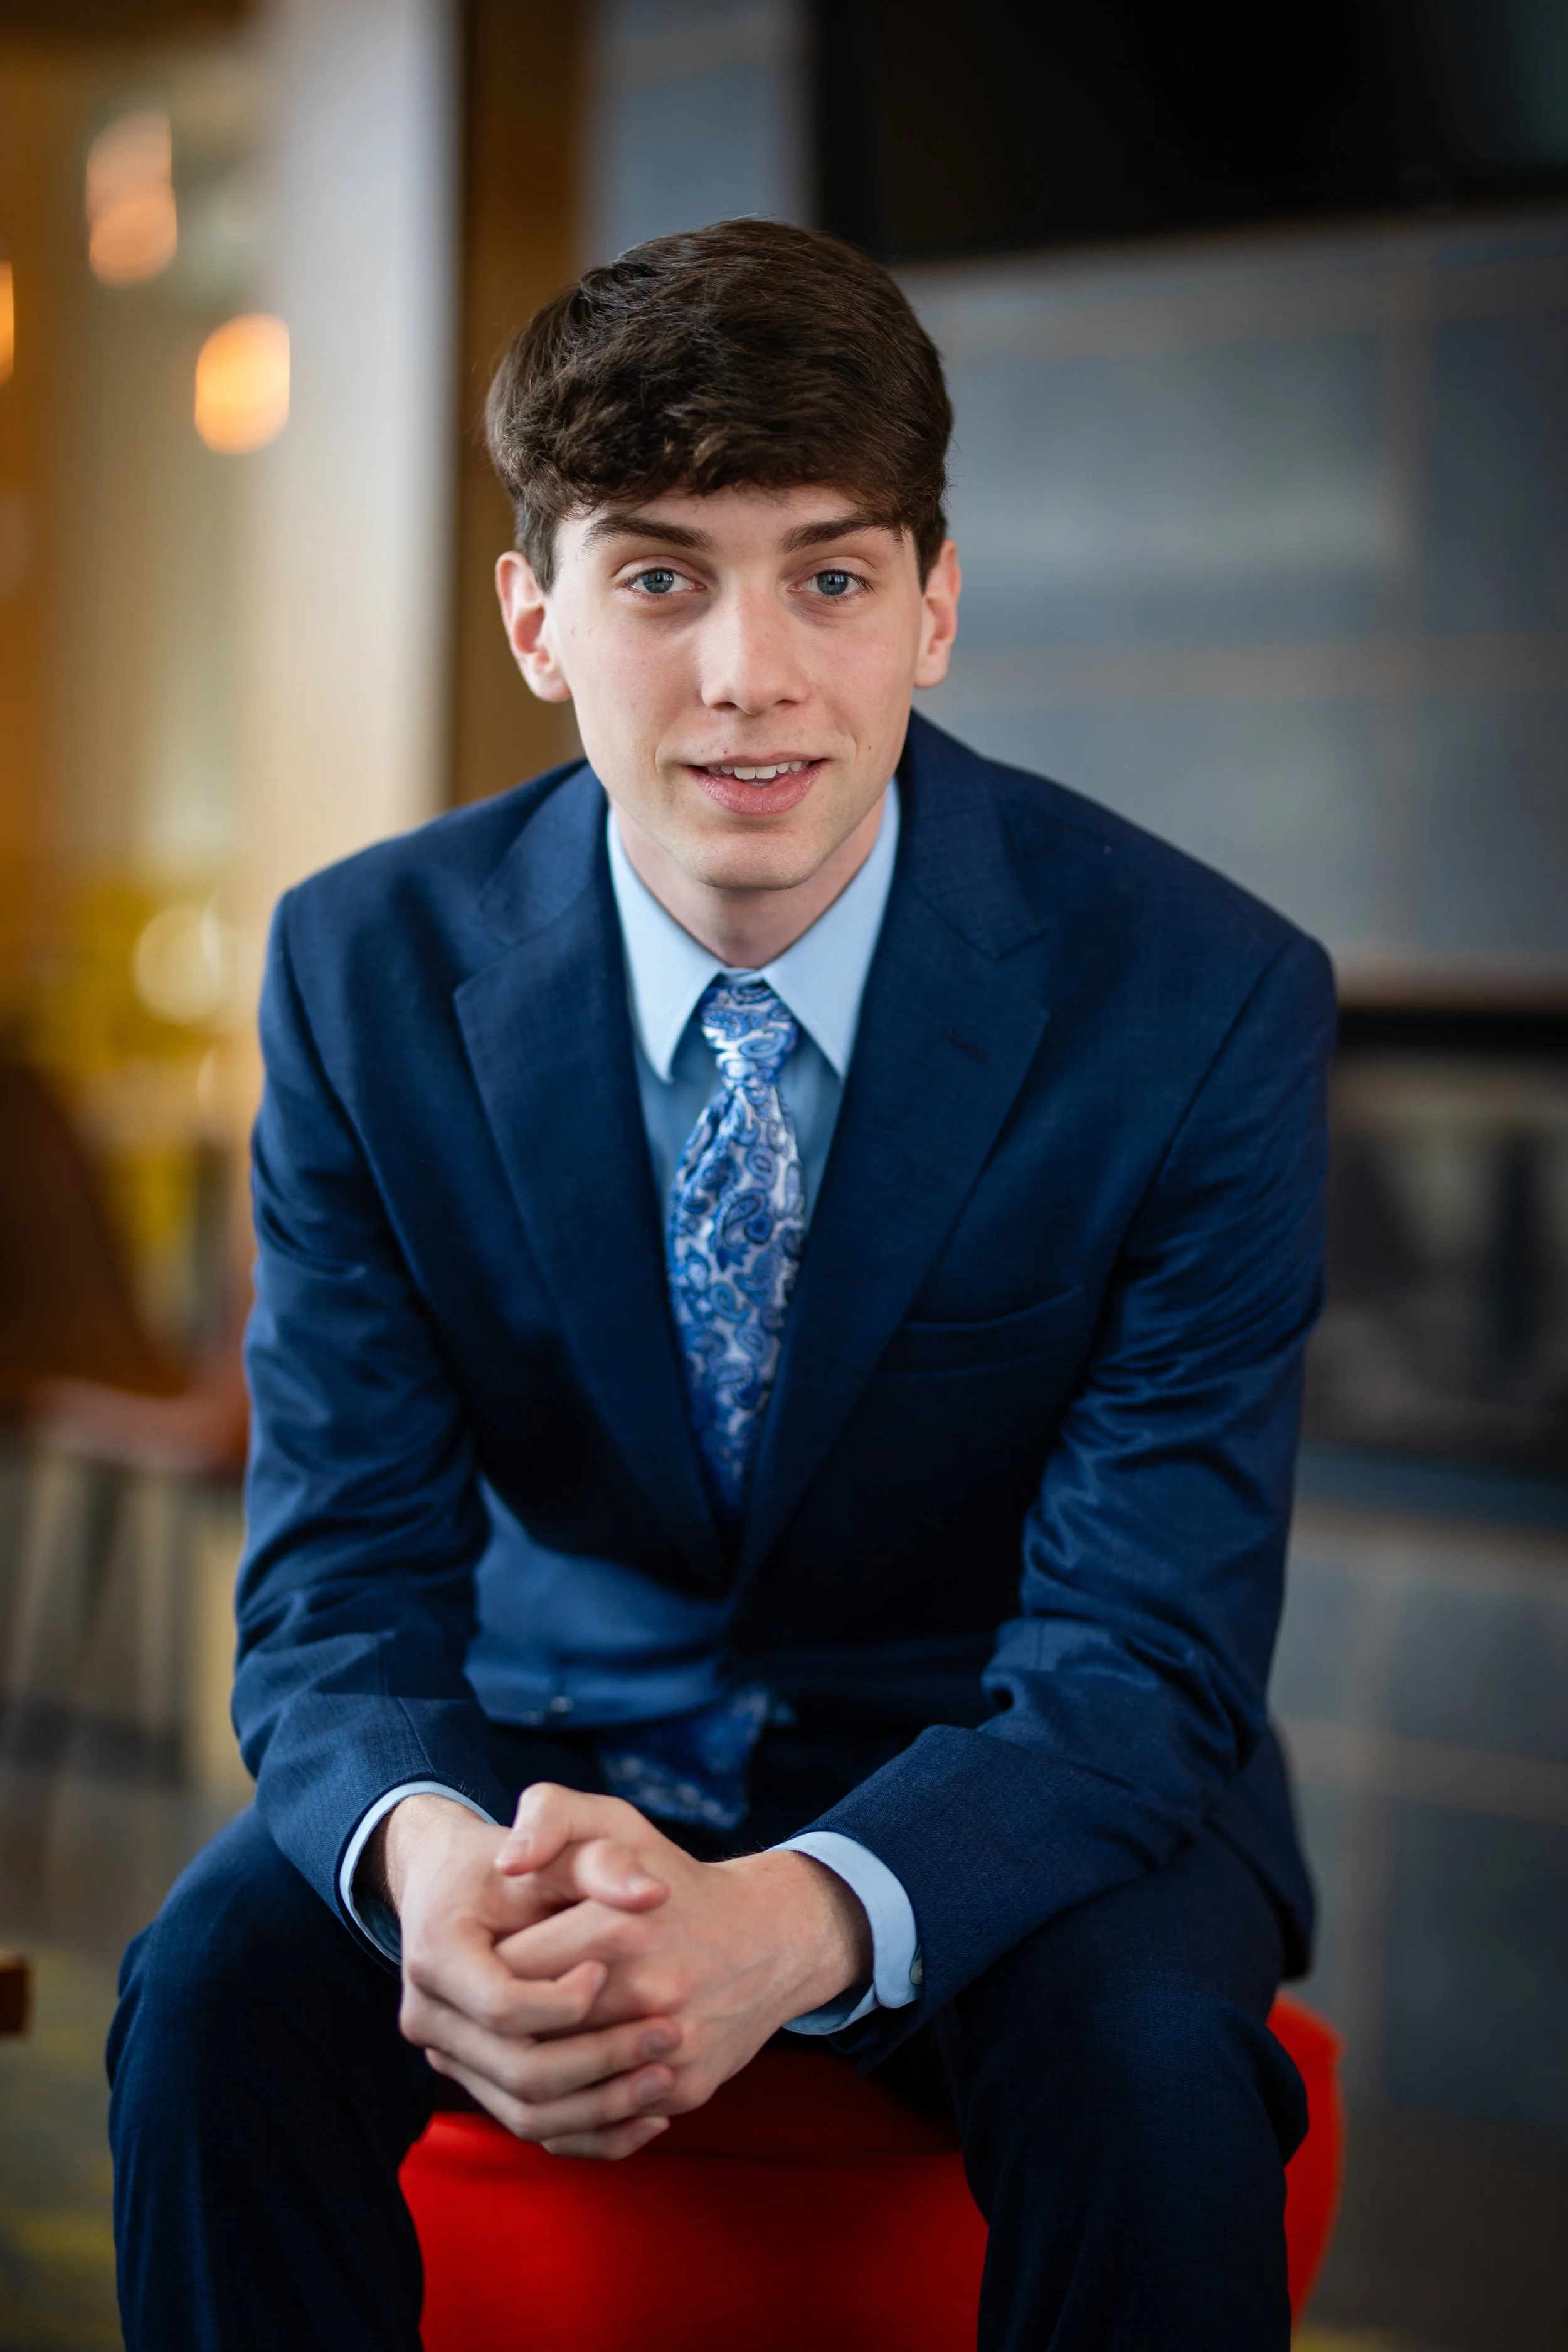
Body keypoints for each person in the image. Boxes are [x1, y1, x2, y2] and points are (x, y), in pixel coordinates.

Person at [108, 219, 1333, 2351]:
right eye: (661, 574)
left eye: (830, 577)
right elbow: (336, 1586)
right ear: (537, 619)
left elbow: (1140, 1646)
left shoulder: (1203, 999)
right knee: (210, 1992)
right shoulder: (358, 972)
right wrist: (426, 1864)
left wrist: (800, 1914)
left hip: (1017, 1750)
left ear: (934, 603)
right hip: (543, 1743)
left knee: (1146, 2070)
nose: (747, 671)